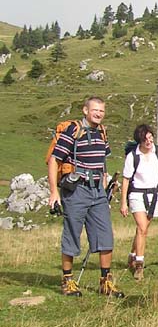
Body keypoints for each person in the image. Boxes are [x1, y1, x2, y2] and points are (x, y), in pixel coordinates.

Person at [47, 96, 124, 297]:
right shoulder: (73, 130)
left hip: (98, 191)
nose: (98, 114)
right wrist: (54, 191)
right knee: (72, 233)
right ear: (85, 110)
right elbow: (54, 160)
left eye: (102, 111)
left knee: (106, 235)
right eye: (95, 110)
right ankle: (67, 281)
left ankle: (105, 282)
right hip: (76, 190)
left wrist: (105, 186)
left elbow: (101, 161)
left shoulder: (102, 131)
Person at [119, 124, 158, 281]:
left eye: (150, 138)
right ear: (139, 141)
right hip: (137, 194)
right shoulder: (132, 156)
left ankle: (132, 254)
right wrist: (123, 202)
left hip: (154, 195)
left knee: (143, 228)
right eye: (145, 139)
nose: (149, 142)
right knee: (142, 228)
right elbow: (126, 180)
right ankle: (139, 265)